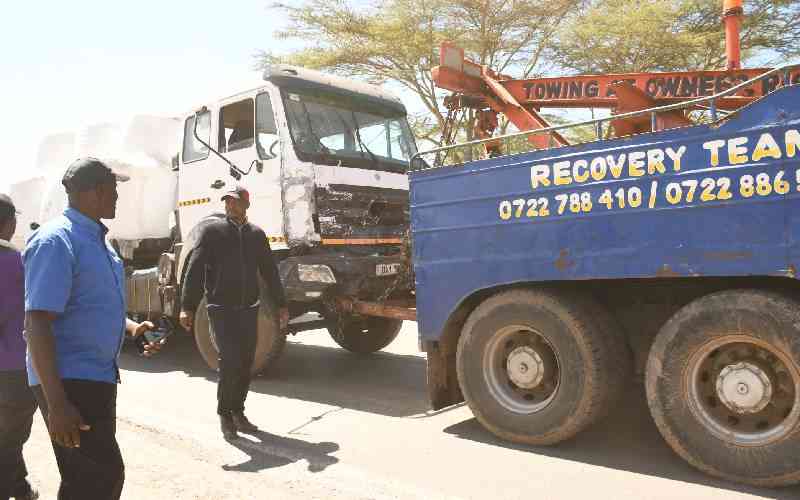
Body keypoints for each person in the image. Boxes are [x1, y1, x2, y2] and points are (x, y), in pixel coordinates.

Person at [24, 158, 162, 500]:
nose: (117, 197)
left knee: (87, 480)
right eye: (113, 190)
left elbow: (90, 305)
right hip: (69, 380)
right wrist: (57, 404)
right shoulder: (56, 241)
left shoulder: (100, 241)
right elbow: (37, 322)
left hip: (96, 377)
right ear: (96, 192)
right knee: (100, 479)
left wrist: (132, 328)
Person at [179, 186, 288, 439]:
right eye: (227, 201)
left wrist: (282, 305)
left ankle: (238, 411)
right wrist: (187, 306)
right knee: (230, 361)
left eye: (235, 202)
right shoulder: (212, 232)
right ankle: (225, 415)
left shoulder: (256, 235)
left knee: (246, 362)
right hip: (221, 308)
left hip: (249, 307)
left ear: (246, 205)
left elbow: (270, 272)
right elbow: (195, 269)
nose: (230, 205)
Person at [0, 194, 38, 500]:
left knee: (6, 441)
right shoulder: (18, 260)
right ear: (10, 222)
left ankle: (21, 488)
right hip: (15, 370)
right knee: (9, 440)